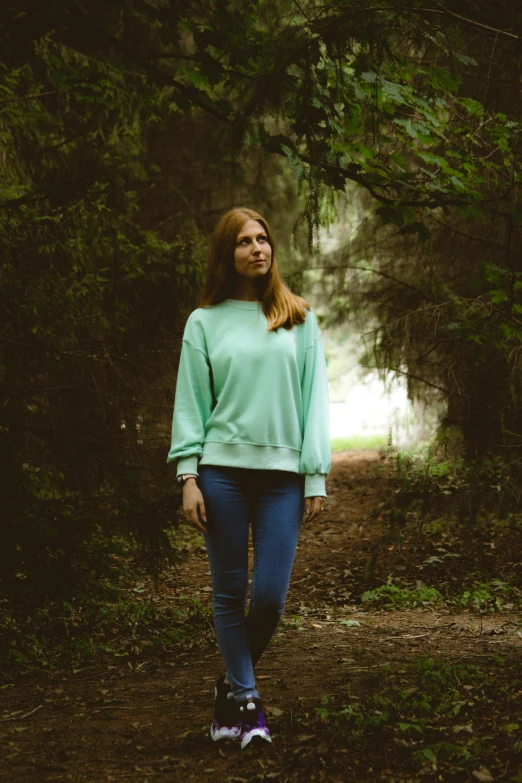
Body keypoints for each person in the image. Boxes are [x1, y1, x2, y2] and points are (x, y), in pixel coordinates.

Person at [167, 207, 331, 749]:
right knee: (229, 591)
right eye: (244, 241)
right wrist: (188, 474)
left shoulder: (297, 317)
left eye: (264, 239)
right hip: (222, 475)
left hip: (282, 477)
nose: (258, 248)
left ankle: (231, 690)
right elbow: (191, 404)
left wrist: (315, 477)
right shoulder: (204, 322)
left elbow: (315, 404)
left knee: (269, 599)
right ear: (226, 253)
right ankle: (248, 700)